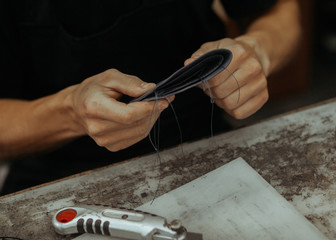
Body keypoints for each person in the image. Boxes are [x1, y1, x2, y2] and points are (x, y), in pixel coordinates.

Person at [0, 0, 301, 194]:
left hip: (203, 138)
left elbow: (280, 12)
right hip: (62, 172)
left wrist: (258, 49)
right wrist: (70, 112)